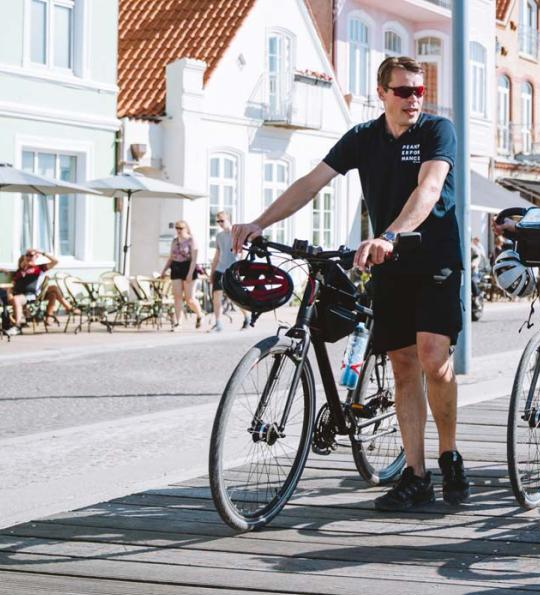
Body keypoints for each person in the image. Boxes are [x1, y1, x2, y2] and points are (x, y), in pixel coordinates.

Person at [233, 55, 470, 511]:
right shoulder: (363, 137)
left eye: (419, 91)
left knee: (433, 358)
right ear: (381, 93)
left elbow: (429, 189)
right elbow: (311, 183)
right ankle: (415, 475)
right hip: (390, 265)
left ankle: (450, 454)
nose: (413, 100)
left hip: (434, 258)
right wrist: (260, 222)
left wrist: (389, 235)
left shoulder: (437, 131)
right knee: (403, 366)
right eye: (403, 91)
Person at [7, 248, 73, 328]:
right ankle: (65, 309)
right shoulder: (19, 272)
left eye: (31, 256)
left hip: (34, 294)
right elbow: (12, 284)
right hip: (23, 295)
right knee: (53, 293)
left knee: (53, 290)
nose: (28, 257)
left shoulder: (39, 268)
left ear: (36, 257)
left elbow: (55, 262)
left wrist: (42, 253)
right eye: (26, 256)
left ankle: (51, 315)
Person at [160, 220, 206, 331]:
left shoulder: (191, 240)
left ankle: (200, 314)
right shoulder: (174, 241)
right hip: (176, 267)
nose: (178, 230)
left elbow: (194, 259)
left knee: (189, 298)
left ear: (186, 228)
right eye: (177, 228)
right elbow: (171, 257)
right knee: (177, 297)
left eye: (181, 228)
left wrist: (190, 273)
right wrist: (163, 270)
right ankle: (178, 323)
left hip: (188, 267)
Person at [209, 211, 249, 332]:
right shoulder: (219, 236)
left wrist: (240, 268)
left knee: (235, 297)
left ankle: (247, 317)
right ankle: (218, 323)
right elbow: (217, 254)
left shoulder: (236, 233)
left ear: (228, 219)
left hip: (232, 269)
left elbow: (243, 252)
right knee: (216, 296)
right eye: (218, 221)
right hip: (220, 269)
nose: (220, 223)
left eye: (222, 220)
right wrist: (212, 272)